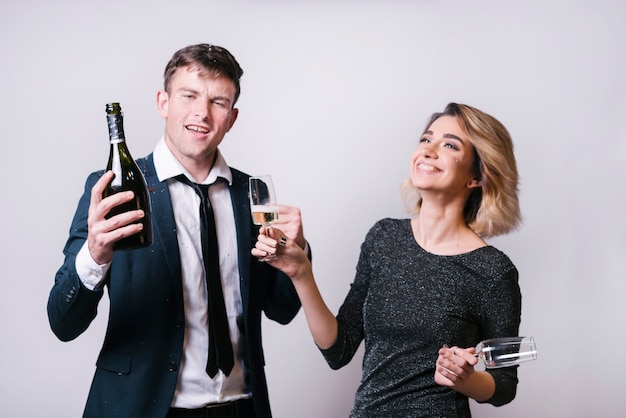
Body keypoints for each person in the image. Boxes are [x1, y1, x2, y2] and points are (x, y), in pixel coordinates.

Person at [48, 43, 307, 418]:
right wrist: (94, 255)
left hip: (240, 409)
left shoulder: (254, 195)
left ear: (231, 118)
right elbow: (62, 322)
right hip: (142, 408)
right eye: (189, 96)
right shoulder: (113, 191)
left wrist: (299, 251)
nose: (202, 112)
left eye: (218, 102)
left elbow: (281, 310)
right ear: (163, 102)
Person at [253, 103, 522, 417]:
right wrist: (301, 273)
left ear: (476, 176)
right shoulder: (383, 238)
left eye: (449, 145)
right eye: (426, 139)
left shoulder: (494, 271)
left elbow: (505, 385)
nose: (429, 150)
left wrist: (466, 379)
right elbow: (338, 350)